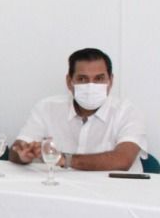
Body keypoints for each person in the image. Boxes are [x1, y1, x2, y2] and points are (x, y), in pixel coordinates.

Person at [9, 47, 147, 172]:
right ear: (69, 82)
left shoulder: (127, 112)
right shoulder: (46, 107)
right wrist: (23, 154)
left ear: (110, 81)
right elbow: (16, 150)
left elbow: (122, 160)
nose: (91, 86)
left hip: (116, 189)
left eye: (99, 79)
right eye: (82, 79)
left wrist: (65, 159)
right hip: (61, 188)